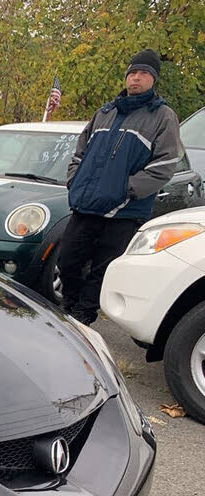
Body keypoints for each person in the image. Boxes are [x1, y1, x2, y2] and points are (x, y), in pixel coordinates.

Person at [58, 49, 183, 325]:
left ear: (153, 79)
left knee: (104, 270)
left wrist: (127, 187)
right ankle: (70, 304)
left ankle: (82, 317)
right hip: (87, 204)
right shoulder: (104, 112)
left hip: (125, 211)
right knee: (67, 260)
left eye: (144, 74)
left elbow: (166, 164)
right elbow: (79, 153)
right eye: (133, 72)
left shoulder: (162, 117)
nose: (136, 78)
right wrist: (74, 180)